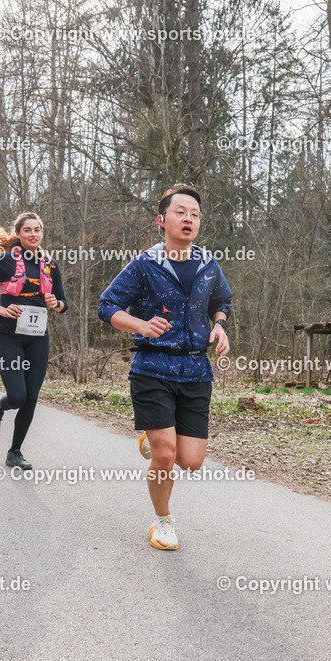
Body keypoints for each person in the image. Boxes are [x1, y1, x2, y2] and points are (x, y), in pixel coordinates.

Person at [98, 184, 232, 551]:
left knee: (191, 462)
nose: (189, 218)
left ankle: (154, 439)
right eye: (180, 212)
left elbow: (222, 300)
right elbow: (107, 306)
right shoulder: (145, 265)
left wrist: (219, 323)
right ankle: (162, 520)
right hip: (152, 369)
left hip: (195, 372)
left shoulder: (208, 264)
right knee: (166, 454)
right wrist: (140, 325)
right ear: (162, 220)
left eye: (195, 214)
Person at [0, 212, 67, 471]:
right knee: (17, 396)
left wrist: (55, 303)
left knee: (32, 397)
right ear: (19, 234)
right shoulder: (5, 261)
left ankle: (14, 452)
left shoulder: (50, 264)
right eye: (28, 230)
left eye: (37, 230)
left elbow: (63, 303)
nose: (33, 234)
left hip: (38, 339)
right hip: (9, 338)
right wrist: (3, 310)